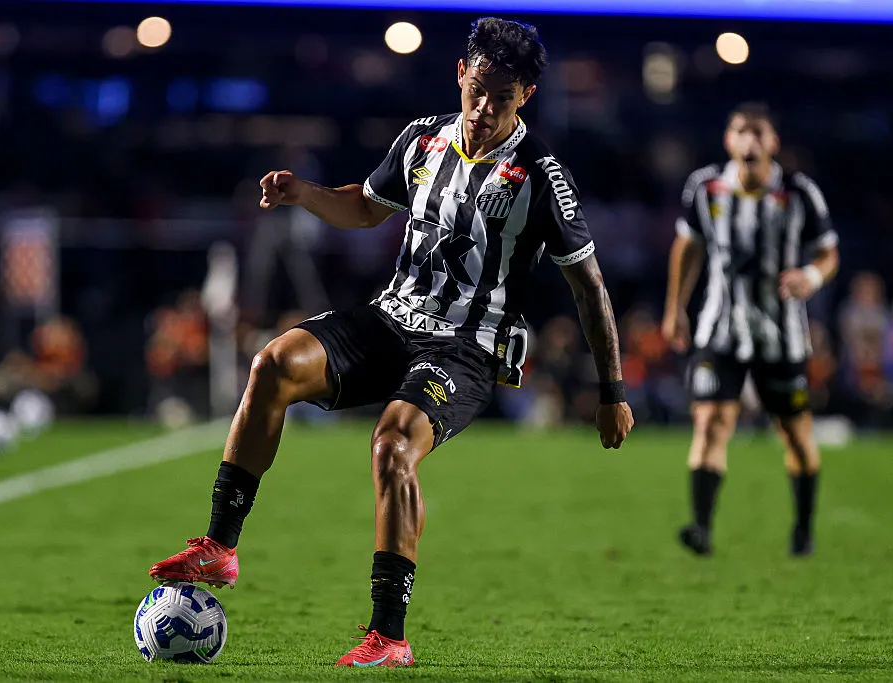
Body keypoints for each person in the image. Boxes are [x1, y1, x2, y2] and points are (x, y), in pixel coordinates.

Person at [149, 17, 634, 668]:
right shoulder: (421, 139)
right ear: (461, 73)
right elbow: (366, 206)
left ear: (527, 99)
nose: (486, 108)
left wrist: (612, 392)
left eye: (505, 97)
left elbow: (590, 287)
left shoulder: (539, 176)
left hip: (466, 346)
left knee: (392, 443)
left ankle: (389, 636)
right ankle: (221, 547)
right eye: (480, 89)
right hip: (390, 318)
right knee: (272, 363)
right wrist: (303, 195)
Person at [661, 103, 839, 557]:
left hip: (781, 336)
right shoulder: (705, 188)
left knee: (795, 433)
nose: (750, 141)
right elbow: (688, 245)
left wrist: (811, 278)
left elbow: (828, 252)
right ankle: (700, 528)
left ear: (773, 143)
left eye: (758, 132)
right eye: (741, 131)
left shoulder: (800, 193)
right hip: (720, 329)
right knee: (710, 423)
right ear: (728, 141)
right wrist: (675, 308)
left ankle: (803, 529)